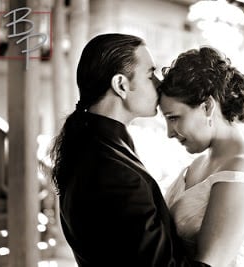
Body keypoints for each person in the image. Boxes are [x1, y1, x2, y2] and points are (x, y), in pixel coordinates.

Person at [50, 33, 210, 267]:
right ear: (121, 85)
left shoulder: (93, 148)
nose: (159, 84)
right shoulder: (111, 171)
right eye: (150, 75)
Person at [158, 46, 244, 267]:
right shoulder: (197, 164)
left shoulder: (242, 170)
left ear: (207, 106)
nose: (169, 132)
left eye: (174, 118)